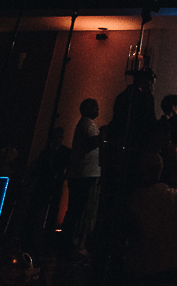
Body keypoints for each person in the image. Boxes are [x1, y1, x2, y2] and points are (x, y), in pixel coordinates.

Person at [63, 98, 104, 254]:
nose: (98, 110)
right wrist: (105, 133)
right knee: (79, 210)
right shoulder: (87, 123)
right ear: (88, 109)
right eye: (96, 107)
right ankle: (71, 243)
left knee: (75, 209)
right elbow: (93, 142)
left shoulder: (84, 123)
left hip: (82, 173)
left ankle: (69, 242)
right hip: (84, 174)